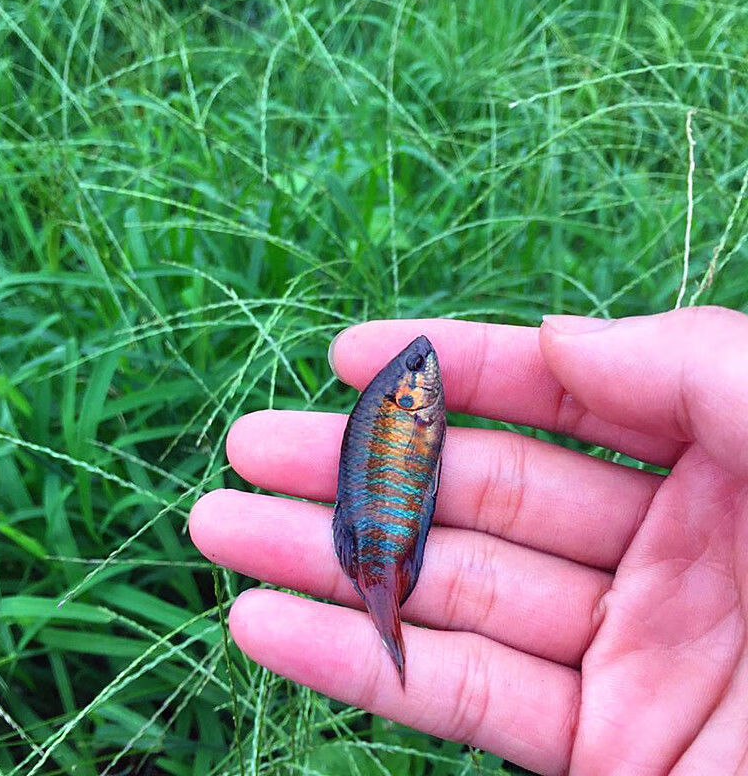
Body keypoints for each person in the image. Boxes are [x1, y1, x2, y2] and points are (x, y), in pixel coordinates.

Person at [189, 307, 748, 776]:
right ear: (407, 392)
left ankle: (390, 629)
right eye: (417, 369)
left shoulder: (413, 405)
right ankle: (387, 624)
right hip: (377, 541)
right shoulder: (404, 408)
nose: (425, 367)